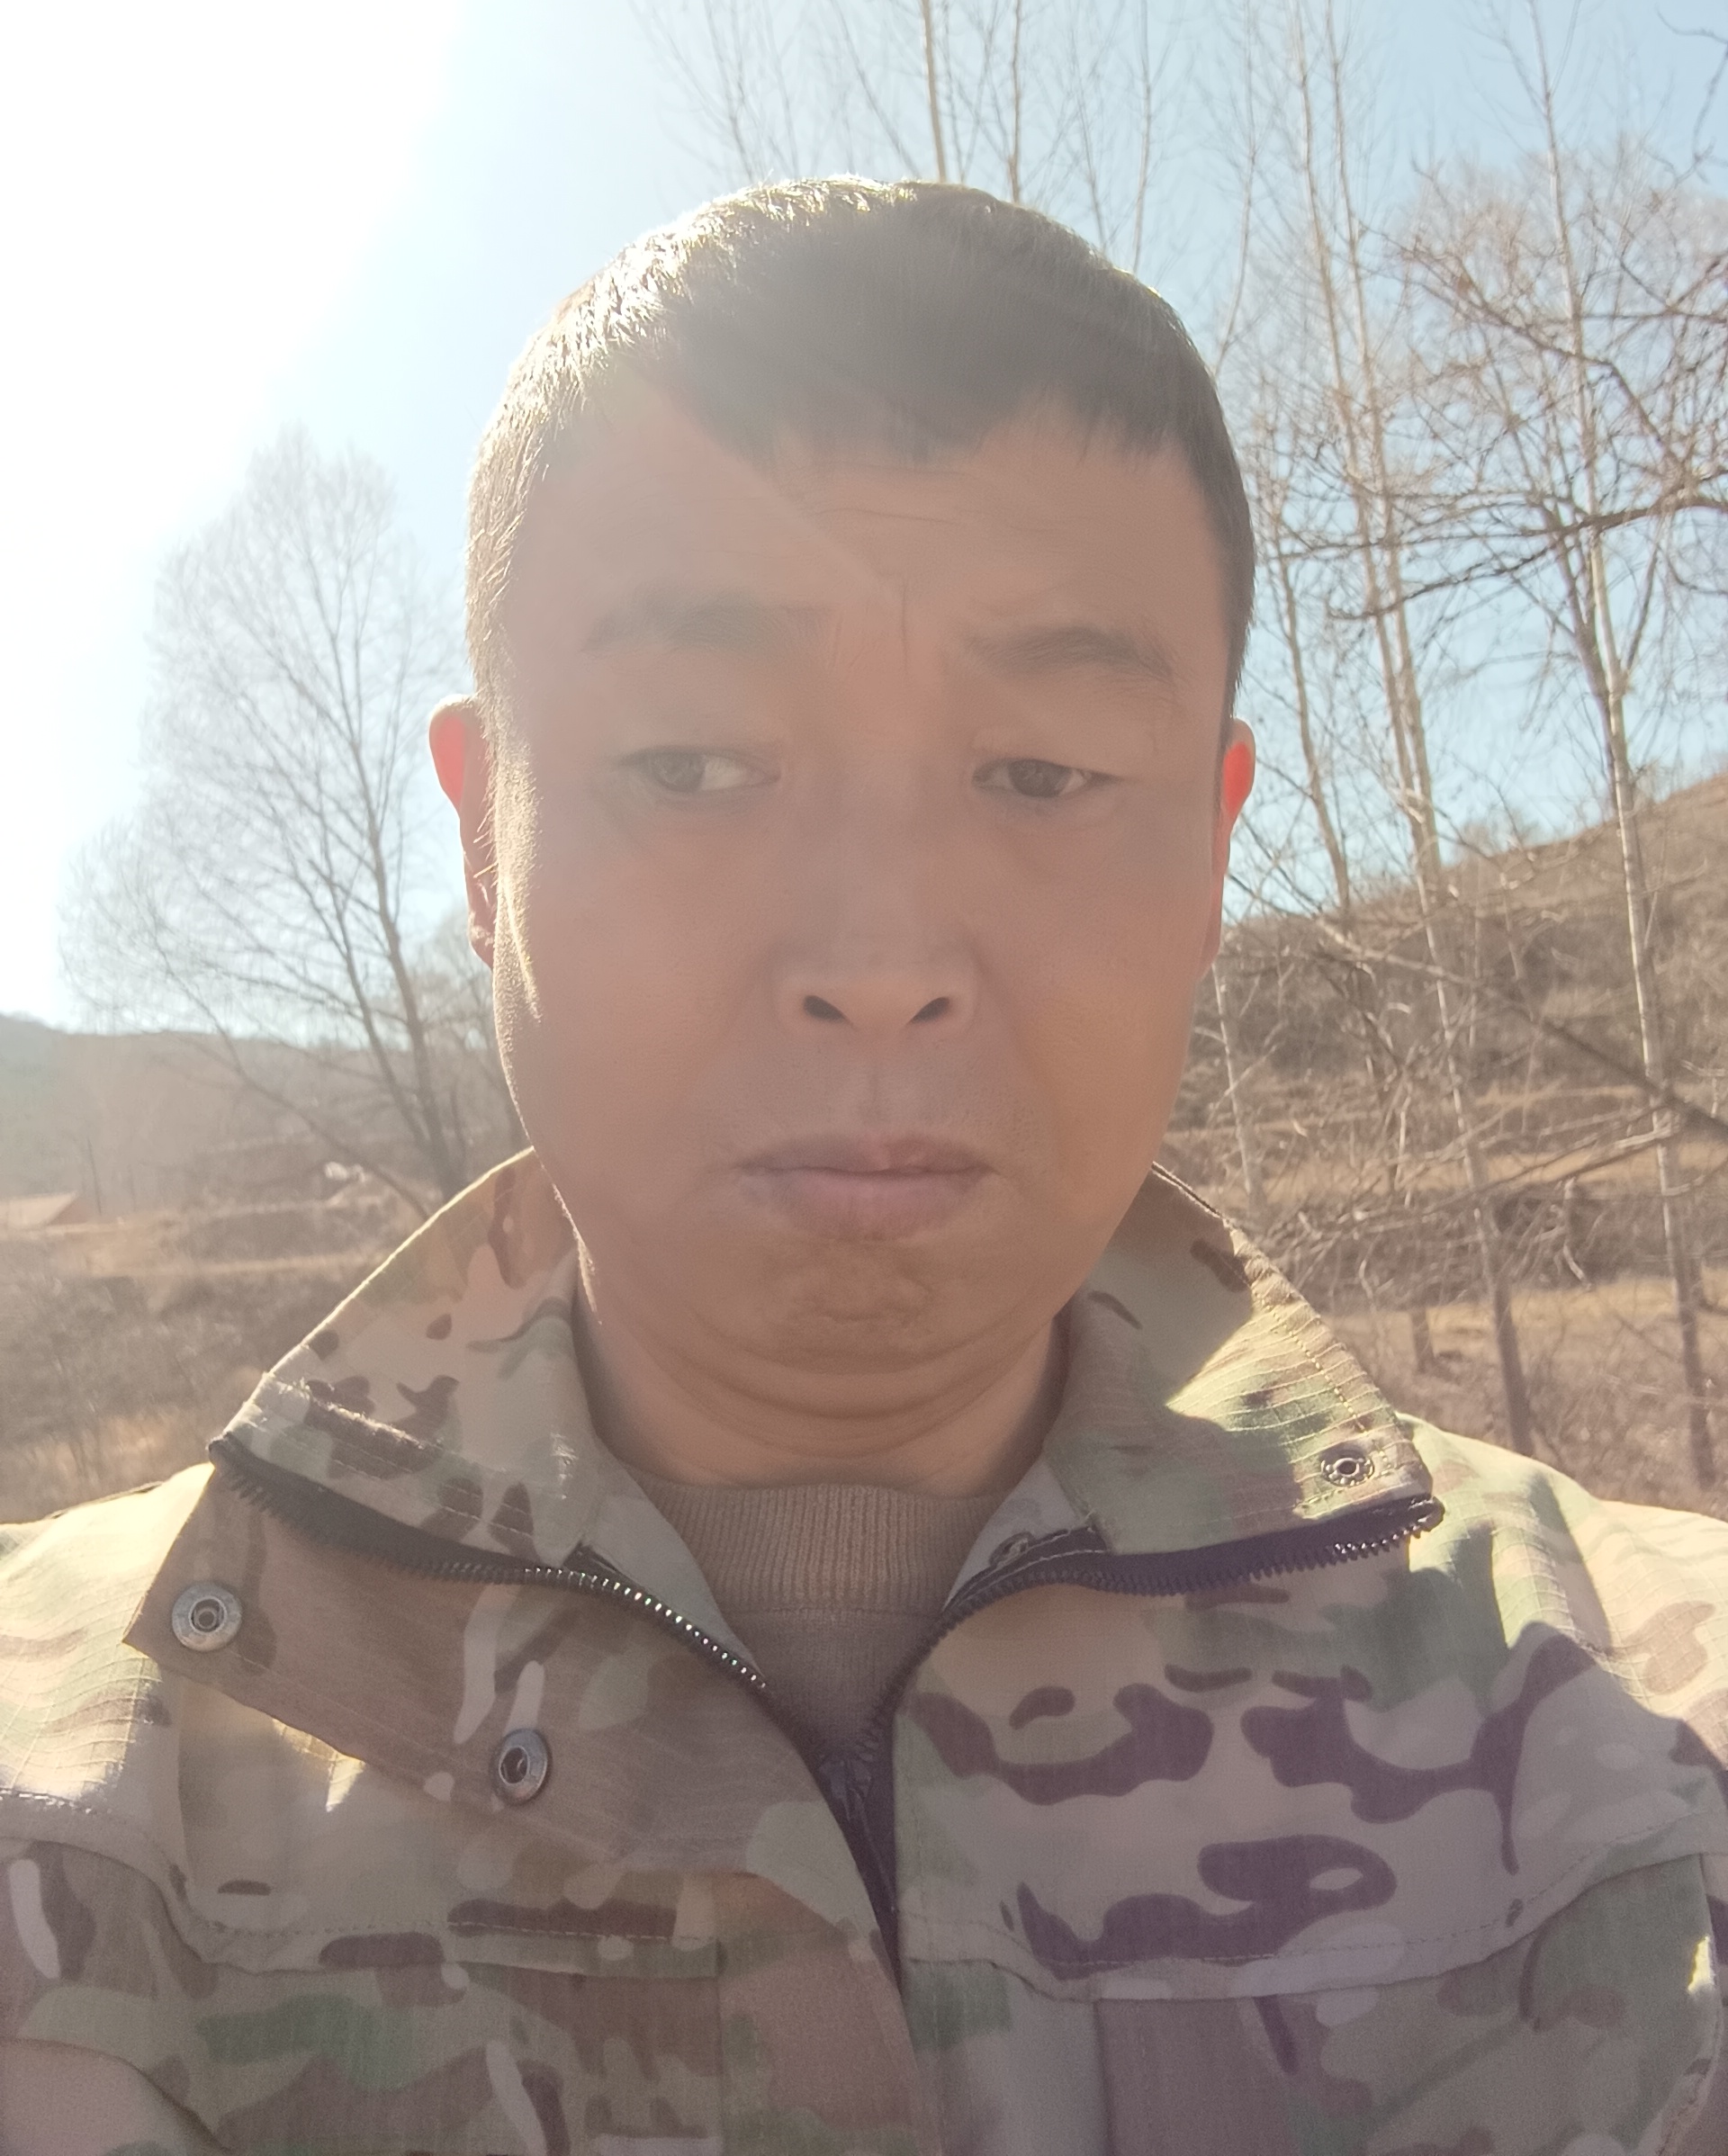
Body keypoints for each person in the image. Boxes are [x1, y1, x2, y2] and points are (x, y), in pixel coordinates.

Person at [2, 179, 1726, 2156]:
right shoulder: (72, 1787)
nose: (883, 958)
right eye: (692, 764)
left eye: (1043, 773)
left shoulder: (1651, 1750)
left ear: (1210, 845)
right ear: (485, 840)